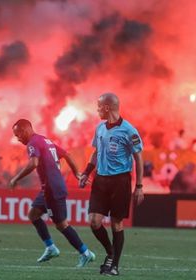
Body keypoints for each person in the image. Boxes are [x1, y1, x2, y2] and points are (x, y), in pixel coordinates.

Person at [9, 119, 95, 266]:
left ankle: (85, 253)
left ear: (25, 130)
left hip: (52, 189)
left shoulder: (32, 143)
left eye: (18, 135)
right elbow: (67, 154)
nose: (18, 139)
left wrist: (16, 178)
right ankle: (51, 248)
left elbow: (34, 163)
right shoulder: (44, 140)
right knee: (33, 214)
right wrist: (76, 173)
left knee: (62, 225)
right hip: (48, 188)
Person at [79, 93, 144, 276]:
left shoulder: (129, 130)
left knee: (116, 223)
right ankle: (110, 251)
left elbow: (138, 158)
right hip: (100, 180)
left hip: (120, 182)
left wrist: (139, 186)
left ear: (107, 107)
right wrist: (86, 173)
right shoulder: (100, 128)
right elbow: (95, 152)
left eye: (99, 107)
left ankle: (114, 265)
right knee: (94, 221)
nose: (97, 110)